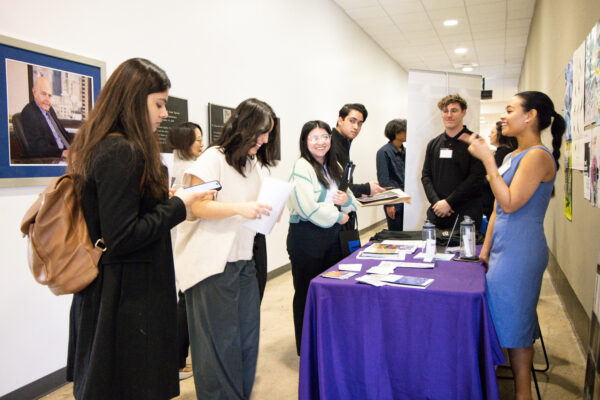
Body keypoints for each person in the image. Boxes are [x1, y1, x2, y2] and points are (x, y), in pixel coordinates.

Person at [65, 58, 215, 399]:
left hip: (119, 292)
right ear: (134, 100)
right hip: (127, 298)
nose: (164, 113)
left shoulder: (107, 145)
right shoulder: (122, 150)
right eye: (159, 104)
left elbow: (121, 212)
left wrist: (167, 197)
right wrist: (181, 204)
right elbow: (122, 236)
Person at [174, 98, 279, 399]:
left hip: (243, 262)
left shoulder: (250, 166)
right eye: (262, 132)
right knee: (218, 348)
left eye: (269, 133)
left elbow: (252, 206)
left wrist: (268, 211)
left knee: (245, 342)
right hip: (211, 266)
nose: (265, 140)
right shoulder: (213, 159)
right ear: (244, 127)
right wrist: (240, 209)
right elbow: (197, 206)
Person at [464, 91, 565, 400]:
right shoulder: (512, 156)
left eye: (510, 110)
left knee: (516, 326)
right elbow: (496, 208)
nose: (503, 116)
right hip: (503, 248)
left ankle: (522, 394)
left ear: (530, 116)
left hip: (521, 251)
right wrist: (485, 249)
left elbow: (509, 203)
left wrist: (486, 161)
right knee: (506, 318)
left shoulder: (537, 156)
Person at [287, 120, 357, 355]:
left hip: (333, 237)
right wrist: (338, 217)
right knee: (307, 292)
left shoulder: (334, 165)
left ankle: (328, 344)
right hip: (308, 237)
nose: (321, 142)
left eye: (325, 136)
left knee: (332, 290)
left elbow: (351, 200)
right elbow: (307, 207)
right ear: (305, 142)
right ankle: (306, 349)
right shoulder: (301, 167)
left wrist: (344, 202)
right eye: (314, 137)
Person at [166, 121, 204, 380]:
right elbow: (193, 210)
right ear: (184, 143)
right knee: (184, 299)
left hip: (176, 238)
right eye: (197, 139)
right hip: (186, 238)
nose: (201, 144)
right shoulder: (189, 170)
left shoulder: (173, 165)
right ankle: (178, 361)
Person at [421, 94, 485, 229]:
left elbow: (476, 178)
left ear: (464, 112)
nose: (449, 115)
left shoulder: (475, 142)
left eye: (454, 110)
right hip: (438, 213)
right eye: (445, 111)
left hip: (466, 214)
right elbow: (426, 176)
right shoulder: (433, 144)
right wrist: (437, 203)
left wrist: (449, 202)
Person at [330, 103, 385, 197]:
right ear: (340, 120)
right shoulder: (329, 144)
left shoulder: (344, 142)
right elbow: (335, 188)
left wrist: (360, 192)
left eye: (360, 123)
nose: (356, 127)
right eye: (352, 121)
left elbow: (344, 184)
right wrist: (366, 188)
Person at [20, 76, 74, 158]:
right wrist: (62, 153)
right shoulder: (29, 112)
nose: (47, 99)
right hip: (54, 157)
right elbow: (38, 146)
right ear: (34, 92)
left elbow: (62, 133)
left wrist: (82, 139)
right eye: (44, 94)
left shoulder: (50, 109)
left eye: (49, 96)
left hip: (67, 152)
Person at [481, 121, 518, 217]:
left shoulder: (503, 154)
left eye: (492, 132)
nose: (489, 135)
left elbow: (493, 178)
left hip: (498, 205)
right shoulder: (503, 153)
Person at [376, 118, 406, 231]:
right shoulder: (383, 152)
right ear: (396, 133)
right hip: (394, 200)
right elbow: (383, 179)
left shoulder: (406, 151)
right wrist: (389, 204)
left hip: (407, 199)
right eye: (405, 130)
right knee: (396, 233)